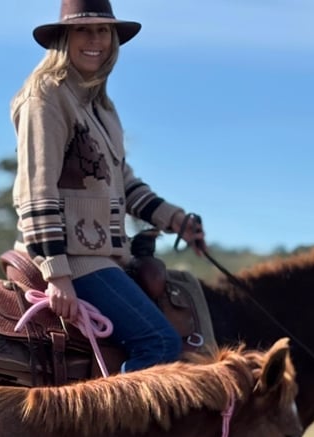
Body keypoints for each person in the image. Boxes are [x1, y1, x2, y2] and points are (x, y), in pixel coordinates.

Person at [11, 0, 206, 371]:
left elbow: (123, 184)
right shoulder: (46, 96)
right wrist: (58, 274)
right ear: (64, 38)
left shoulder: (100, 106)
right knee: (160, 344)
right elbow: (36, 190)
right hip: (76, 259)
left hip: (106, 255)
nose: (95, 39)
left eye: (103, 31)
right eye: (84, 30)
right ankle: (115, 428)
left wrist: (176, 220)